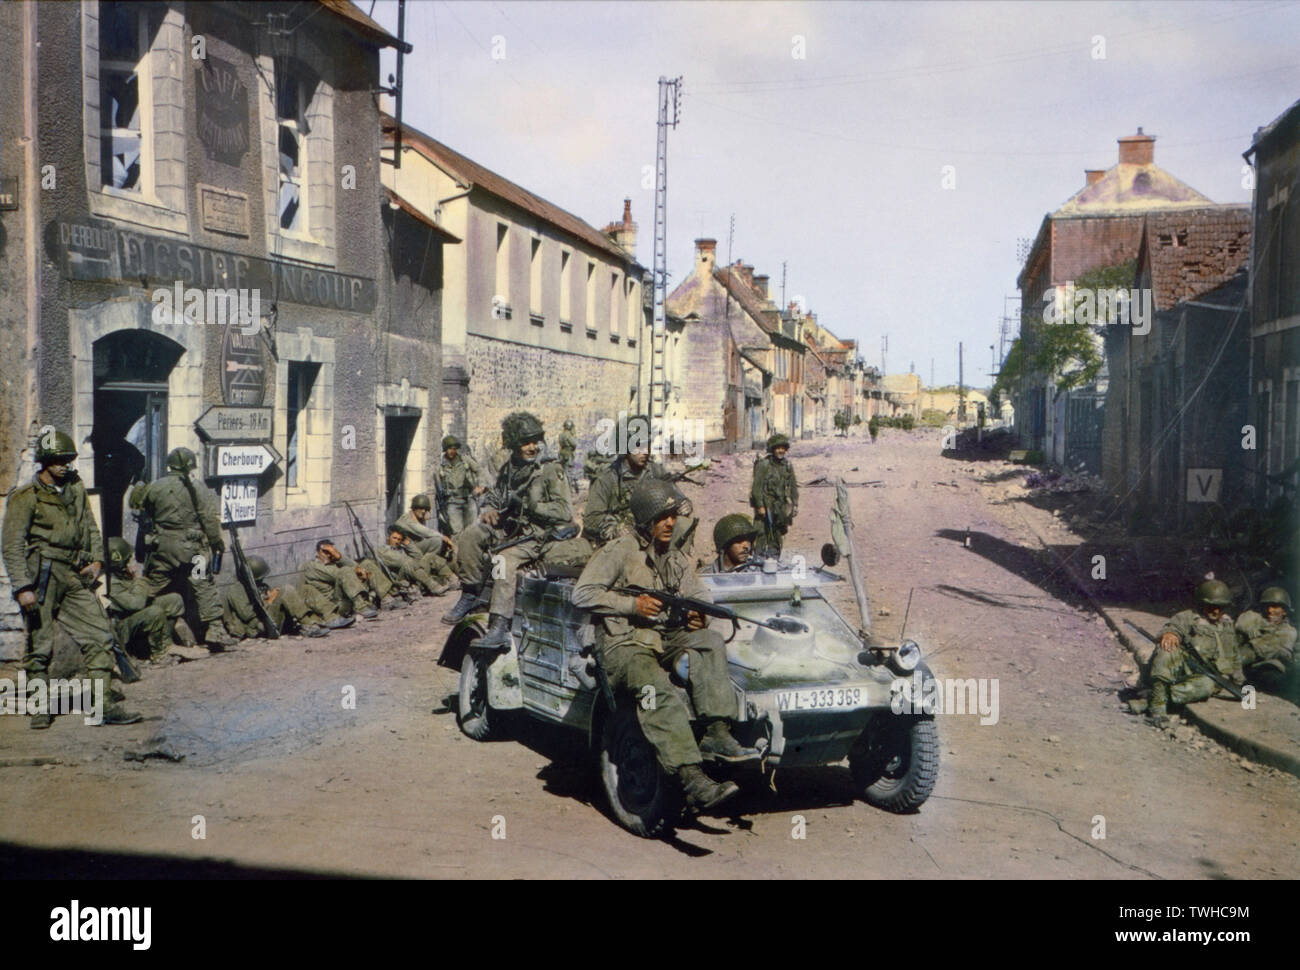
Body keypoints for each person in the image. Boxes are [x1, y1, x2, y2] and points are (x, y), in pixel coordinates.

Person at [572, 479, 759, 814]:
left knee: (710, 640)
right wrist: (632, 606)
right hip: (623, 644)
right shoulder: (619, 551)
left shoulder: (673, 557)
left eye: (673, 515)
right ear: (646, 519)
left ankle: (717, 731)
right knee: (657, 689)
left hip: (664, 637)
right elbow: (582, 594)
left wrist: (699, 614)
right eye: (663, 516)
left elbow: (700, 593)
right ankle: (692, 779)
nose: (671, 523)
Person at [1, 429, 140, 726]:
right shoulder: (26, 496)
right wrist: (22, 586)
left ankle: (102, 707)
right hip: (43, 574)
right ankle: (40, 709)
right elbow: (12, 545)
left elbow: (89, 525)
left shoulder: (75, 486)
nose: (64, 464)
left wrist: (97, 560)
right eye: (57, 460)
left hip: (74, 573)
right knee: (40, 644)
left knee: (100, 635)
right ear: (44, 462)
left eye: (68, 459)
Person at [448, 411, 590, 640]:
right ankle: (470, 592)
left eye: (535, 442)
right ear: (514, 445)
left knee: (503, 561)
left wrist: (531, 506)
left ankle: (499, 622)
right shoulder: (510, 468)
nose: (532, 447)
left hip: (536, 536)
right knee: (469, 536)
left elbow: (564, 511)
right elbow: (494, 497)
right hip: (509, 528)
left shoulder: (550, 470)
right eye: (525, 443)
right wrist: (488, 511)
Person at [129, 447, 234, 651]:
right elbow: (208, 519)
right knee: (203, 585)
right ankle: (215, 629)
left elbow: (136, 506)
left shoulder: (155, 486)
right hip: (193, 549)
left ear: (169, 466)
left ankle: (142, 626)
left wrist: (140, 483)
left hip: (164, 548)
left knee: (153, 586)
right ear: (190, 467)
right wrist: (216, 542)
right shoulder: (198, 488)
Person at [1139, 580, 1244, 728]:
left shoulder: (1227, 625)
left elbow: (1234, 655)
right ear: (1201, 603)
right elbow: (1172, 627)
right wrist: (1170, 634)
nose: (1215, 611)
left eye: (1220, 608)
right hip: (1180, 670)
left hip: (1206, 676)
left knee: (1207, 686)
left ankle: (1151, 699)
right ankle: (1157, 709)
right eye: (1211, 606)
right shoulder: (1188, 617)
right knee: (1167, 648)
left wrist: (1239, 682)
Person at [105, 536, 185, 661]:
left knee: (174, 600)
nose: (131, 561)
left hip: (132, 618)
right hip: (121, 628)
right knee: (154, 612)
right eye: (128, 559)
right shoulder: (110, 583)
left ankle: (165, 643)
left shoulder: (121, 574)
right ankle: (159, 654)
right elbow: (137, 604)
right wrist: (138, 578)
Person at [223, 554, 329, 640]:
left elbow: (263, 599)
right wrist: (269, 601)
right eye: (259, 579)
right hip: (259, 626)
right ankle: (308, 625)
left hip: (269, 620)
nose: (261, 581)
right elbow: (247, 615)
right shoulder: (236, 589)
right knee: (286, 590)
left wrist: (271, 595)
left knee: (304, 589)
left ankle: (316, 620)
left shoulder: (258, 586)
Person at [302, 539, 385, 623]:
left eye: (332, 552)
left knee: (367, 564)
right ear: (318, 552)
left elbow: (357, 567)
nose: (329, 555)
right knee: (345, 570)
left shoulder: (334, 562)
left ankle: (387, 597)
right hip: (335, 605)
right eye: (326, 552)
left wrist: (340, 557)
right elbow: (337, 573)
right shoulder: (312, 566)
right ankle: (361, 606)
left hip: (347, 598)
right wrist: (357, 571)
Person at [1235, 586, 1296, 694]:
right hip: (1243, 666)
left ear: (1284, 611)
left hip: (1267, 669)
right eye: (1267, 606)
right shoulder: (1254, 617)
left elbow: (1263, 648)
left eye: (1275, 606)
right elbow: (1240, 624)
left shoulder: (1288, 631)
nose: (1270, 610)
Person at [750, 433, 798, 558]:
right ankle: (758, 558)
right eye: (778, 448)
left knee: (777, 533)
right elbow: (756, 488)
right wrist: (760, 506)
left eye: (783, 448)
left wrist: (795, 504)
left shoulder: (787, 465)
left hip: (780, 506)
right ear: (772, 449)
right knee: (761, 532)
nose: (780, 451)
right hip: (766, 504)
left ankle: (774, 558)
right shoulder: (764, 465)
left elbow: (793, 486)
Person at [395, 494, 458, 588]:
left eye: (426, 509)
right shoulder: (406, 519)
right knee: (437, 541)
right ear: (414, 508)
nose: (424, 511)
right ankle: (428, 568)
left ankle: (435, 567)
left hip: (414, 549)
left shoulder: (418, 518)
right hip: (405, 553)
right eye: (421, 508)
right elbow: (424, 531)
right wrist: (444, 537)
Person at [378, 523, 451, 597]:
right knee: (409, 563)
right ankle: (434, 586)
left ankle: (451, 578)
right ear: (388, 537)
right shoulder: (383, 550)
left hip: (413, 572)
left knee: (430, 556)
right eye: (394, 538)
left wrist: (408, 544)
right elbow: (401, 561)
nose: (397, 541)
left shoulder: (402, 548)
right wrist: (417, 563)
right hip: (400, 578)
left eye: (399, 539)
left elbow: (419, 556)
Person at [437, 436, 484, 536]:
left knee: (472, 530)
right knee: (456, 532)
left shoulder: (465, 460)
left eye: (454, 449)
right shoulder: (441, 465)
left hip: (469, 498)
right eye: (449, 449)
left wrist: (480, 486)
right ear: (445, 449)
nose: (452, 451)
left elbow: (479, 470)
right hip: (452, 501)